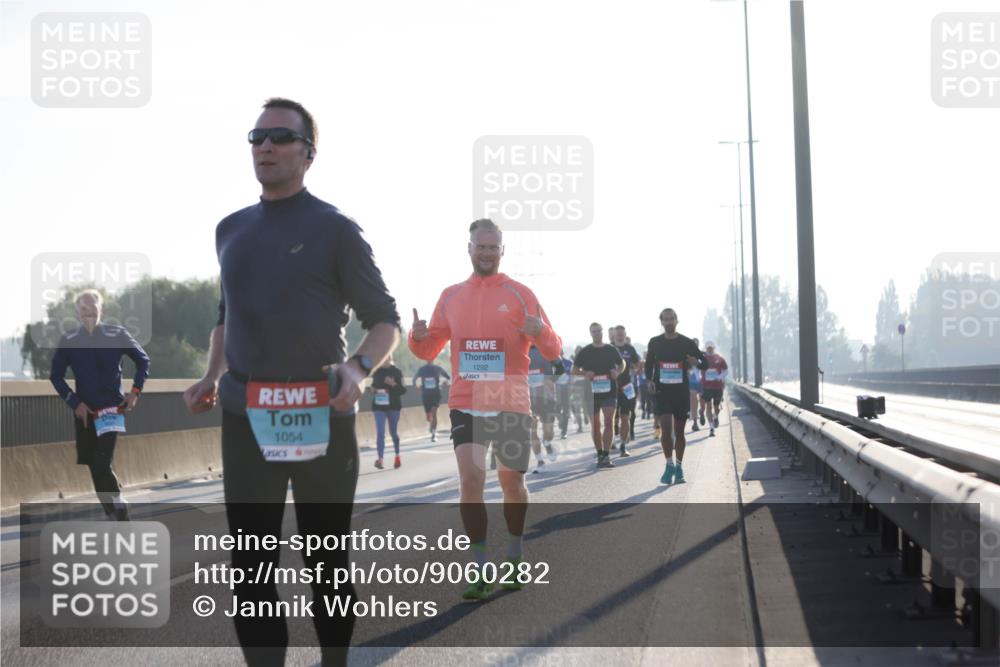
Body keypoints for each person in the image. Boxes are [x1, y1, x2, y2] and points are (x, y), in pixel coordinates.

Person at [182, 98, 400, 667]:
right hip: (246, 415)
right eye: (256, 136)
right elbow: (227, 315)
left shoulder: (335, 229)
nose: (265, 146)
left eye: (280, 136)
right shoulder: (230, 228)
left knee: (326, 562)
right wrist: (210, 376)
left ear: (308, 153)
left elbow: (385, 320)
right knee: (251, 568)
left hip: (320, 413)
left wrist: (357, 369)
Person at [409, 217, 562, 601]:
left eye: (494, 247)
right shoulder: (451, 295)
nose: (487, 252)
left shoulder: (521, 293)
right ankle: (477, 569)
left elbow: (554, 350)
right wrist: (418, 335)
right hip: (466, 403)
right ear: (470, 248)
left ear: (502, 250)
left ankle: (513, 557)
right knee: (471, 481)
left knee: (512, 481)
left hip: (510, 403)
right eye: (481, 246)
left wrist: (539, 330)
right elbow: (427, 351)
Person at [50, 289, 150, 521]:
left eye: (93, 308)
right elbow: (55, 376)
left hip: (112, 410)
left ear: (101, 309)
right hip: (85, 412)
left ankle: (117, 501)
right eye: (83, 310)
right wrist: (75, 403)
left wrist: (135, 391)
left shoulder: (117, 334)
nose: (89, 313)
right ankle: (112, 512)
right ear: (77, 313)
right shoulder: (69, 340)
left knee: (101, 462)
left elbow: (143, 361)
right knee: (92, 463)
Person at [645, 308, 707, 486]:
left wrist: (697, 362)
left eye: (671, 319)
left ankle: (679, 467)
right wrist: (649, 380)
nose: (669, 322)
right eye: (666, 320)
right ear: (661, 322)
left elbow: (705, 362)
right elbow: (649, 365)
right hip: (662, 391)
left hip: (680, 392)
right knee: (665, 429)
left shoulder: (686, 343)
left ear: (676, 320)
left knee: (679, 432)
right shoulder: (655, 342)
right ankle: (668, 465)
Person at [573, 323, 625, 468]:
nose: (596, 333)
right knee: (596, 425)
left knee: (609, 422)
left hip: (609, 391)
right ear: (590, 333)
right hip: (591, 393)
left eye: (598, 331)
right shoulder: (585, 351)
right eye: (593, 332)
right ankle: (600, 453)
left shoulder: (611, 349)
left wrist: (618, 372)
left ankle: (606, 455)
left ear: (602, 332)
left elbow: (621, 364)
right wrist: (585, 373)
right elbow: (574, 370)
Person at [528, 344, 561, 472]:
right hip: (528, 398)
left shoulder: (547, 348)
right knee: (532, 430)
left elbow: (560, 367)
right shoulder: (519, 347)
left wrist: (552, 380)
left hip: (547, 398)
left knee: (549, 431)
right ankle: (540, 461)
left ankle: (547, 444)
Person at [610, 325, 640, 456]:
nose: (620, 336)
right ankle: (611, 440)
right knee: (610, 418)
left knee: (626, 417)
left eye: (622, 334)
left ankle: (623, 445)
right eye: (618, 334)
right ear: (614, 335)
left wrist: (635, 370)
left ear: (625, 334)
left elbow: (638, 364)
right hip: (611, 387)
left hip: (627, 387)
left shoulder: (630, 349)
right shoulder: (609, 348)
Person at [372, 357, 406, 468]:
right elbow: (374, 385)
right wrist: (372, 389)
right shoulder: (376, 371)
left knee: (393, 433)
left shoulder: (397, 372)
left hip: (394, 407)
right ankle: (380, 459)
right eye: (382, 357)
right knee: (380, 433)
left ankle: (397, 456)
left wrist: (393, 384)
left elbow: (403, 390)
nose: (384, 360)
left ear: (390, 358)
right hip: (379, 406)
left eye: (386, 358)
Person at [413, 361, 450, 442]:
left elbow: (448, 377)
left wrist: (446, 382)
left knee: (434, 413)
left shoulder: (437, 368)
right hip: (426, 395)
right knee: (429, 416)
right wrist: (416, 386)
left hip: (436, 394)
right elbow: (414, 379)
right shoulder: (422, 369)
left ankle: (433, 434)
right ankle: (431, 425)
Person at [701, 341, 729, 437]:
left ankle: (716, 416)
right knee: (708, 407)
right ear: (706, 348)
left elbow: (726, 371)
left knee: (716, 407)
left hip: (717, 386)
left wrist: (720, 376)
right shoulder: (703, 359)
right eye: (708, 348)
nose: (709, 349)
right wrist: (699, 379)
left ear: (714, 348)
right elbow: (697, 369)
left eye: (711, 348)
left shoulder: (719, 358)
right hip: (706, 386)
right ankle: (711, 428)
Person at [555, 354, 579, 438]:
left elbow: (574, 376)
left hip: (566, 390)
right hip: (554, 390)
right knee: (556, 410)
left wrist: (571, 386)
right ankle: (561, 421)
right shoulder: (550, 363)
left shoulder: (569, 362)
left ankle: (564, 431)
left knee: (566, 410)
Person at [688, 338, 703, 433]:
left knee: (703, 401)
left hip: (702, 381)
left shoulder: (702, 354)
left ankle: (702, 412)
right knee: (693, 400)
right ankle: (695, 422)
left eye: (696, 344)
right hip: (692, 381)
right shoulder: (687, 356)